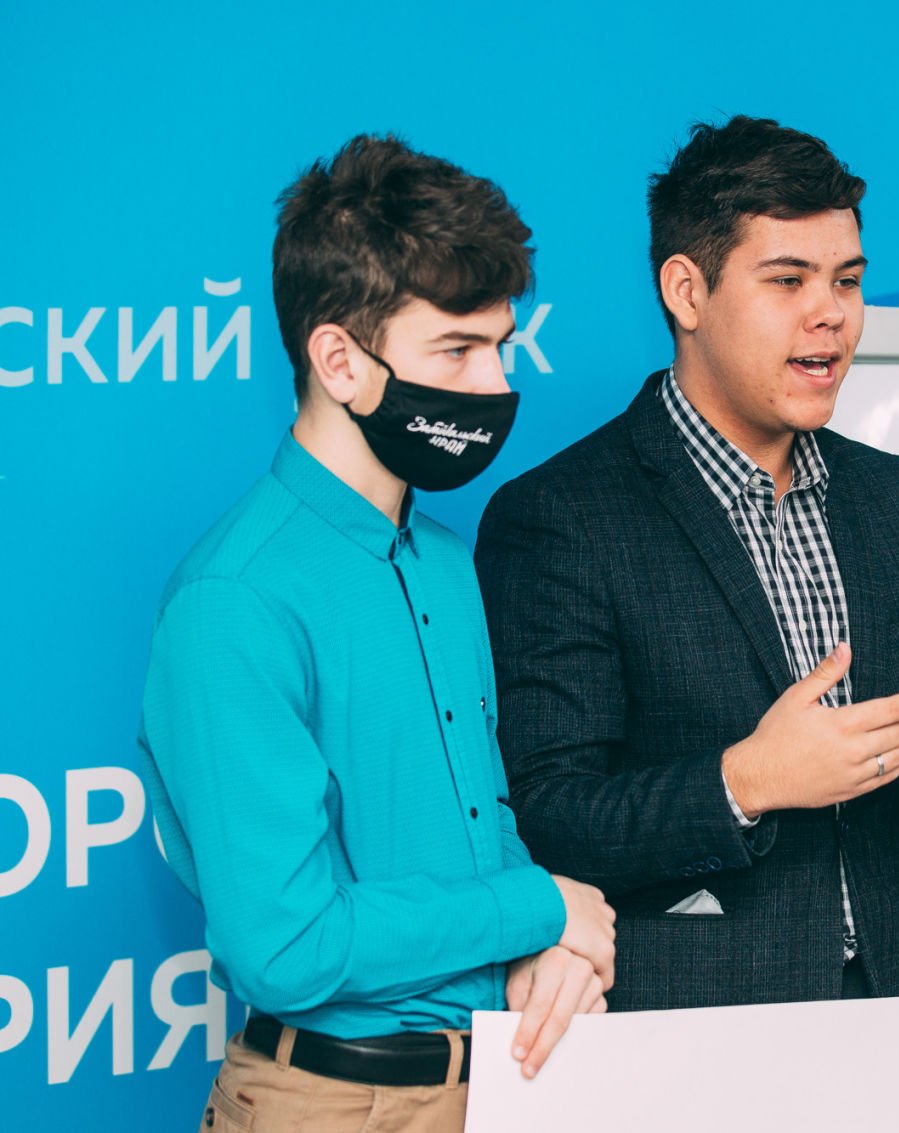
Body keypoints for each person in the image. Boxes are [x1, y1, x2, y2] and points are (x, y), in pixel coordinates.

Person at [475, 115, 899, 1009]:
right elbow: (546, 818)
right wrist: (747, 781)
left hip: (893, 1009)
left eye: (847, 280)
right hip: (695, 1032)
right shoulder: (562, 517)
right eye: (787, 280)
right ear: (686, 291)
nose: (830, 313)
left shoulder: (891, 498)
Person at [138, 134, 615, 1133]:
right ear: (339, 360)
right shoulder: (234, 598)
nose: (495, 383)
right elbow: (286, 944)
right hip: (331, 1104)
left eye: (502, 345)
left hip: (501, 1083)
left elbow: (479, 822)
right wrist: (538, 906)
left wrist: (545, 944)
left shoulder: (443, 558)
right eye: (457, 350)